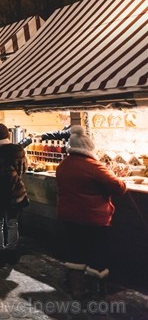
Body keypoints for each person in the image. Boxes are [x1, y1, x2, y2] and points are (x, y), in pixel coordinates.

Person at [56, 125, 126, 298]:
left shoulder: (64, 165)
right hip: (92, 217)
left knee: (76, 251)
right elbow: (119, 187)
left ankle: (77, 289)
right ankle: (95, 289)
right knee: (97, 252)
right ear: (89, 147)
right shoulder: (93, 166)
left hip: (69, 216)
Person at [0, 123, 29, 267]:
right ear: (8, 134)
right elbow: (24, 169)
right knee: (12, 223)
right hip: (15, 193)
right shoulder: (18, 150)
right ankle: (11, 252)